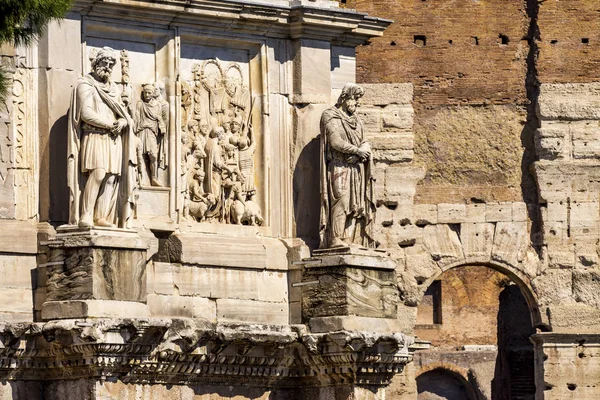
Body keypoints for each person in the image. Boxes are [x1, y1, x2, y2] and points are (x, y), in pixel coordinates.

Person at [67, 46, 136, 229]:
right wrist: (109, 124)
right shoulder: (85, 84)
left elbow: (121, 113)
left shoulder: (114, 88)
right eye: (104, 62)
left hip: (113, 138)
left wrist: (122, 121)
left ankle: (101, 216)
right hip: (95, 135)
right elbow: (86, 113)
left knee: (111, 178)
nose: (107, 66)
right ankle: (86, 215)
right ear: (95, 62)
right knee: (98, 173)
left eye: (110, 64)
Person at [319, 83, 376, 249]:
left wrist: (363, 150)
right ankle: (335, 238)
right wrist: (357, 151)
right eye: (355, 98)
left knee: (356, 206)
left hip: (356, 168)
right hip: (339, 166)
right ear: (345, 98)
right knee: (341, 201)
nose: (358, 103)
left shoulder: (357, 120)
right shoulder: (330, 116)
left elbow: (365, 141)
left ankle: (349, 239)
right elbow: (335, 141)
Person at [135, 83, 167, 186]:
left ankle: (154, 177)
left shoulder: (157, 105)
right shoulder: (140, 104)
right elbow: (136, 118)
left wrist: (161, 125)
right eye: (145, 93)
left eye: (149, 93)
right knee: (140, 155)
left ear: (153, 94)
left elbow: (159, 119)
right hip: (142, 131)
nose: (147, 95)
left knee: (153, 155)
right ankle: (140, 177)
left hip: (152, 132)